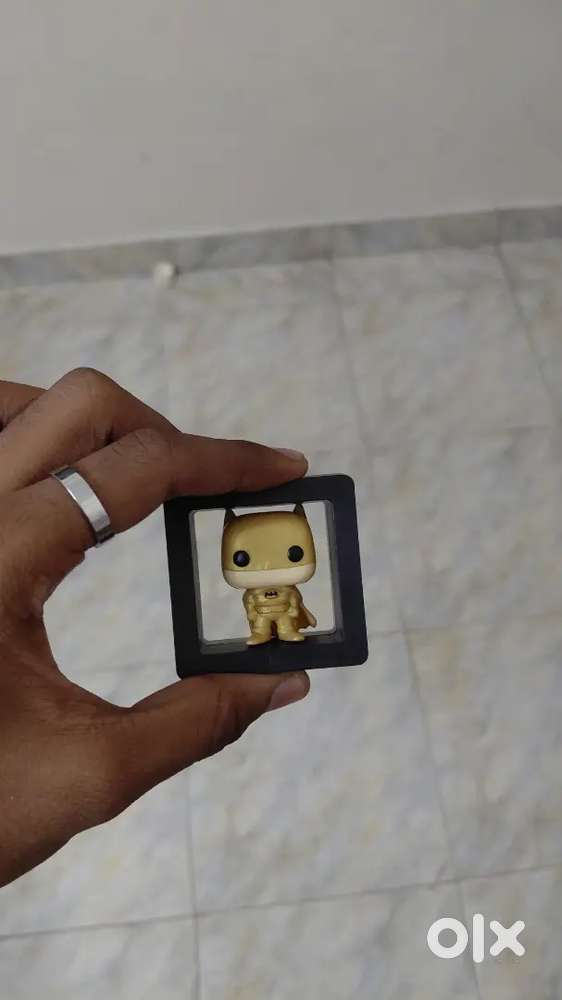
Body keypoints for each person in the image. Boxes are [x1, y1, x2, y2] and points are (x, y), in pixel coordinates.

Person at [0, 369, 310, 888]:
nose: (268, 569)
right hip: (262, 616)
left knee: (282, 617)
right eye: (244, 558)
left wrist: (297, 619)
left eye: (293, 554)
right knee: (265, 619)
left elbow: (296, 607)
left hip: (282, 614)